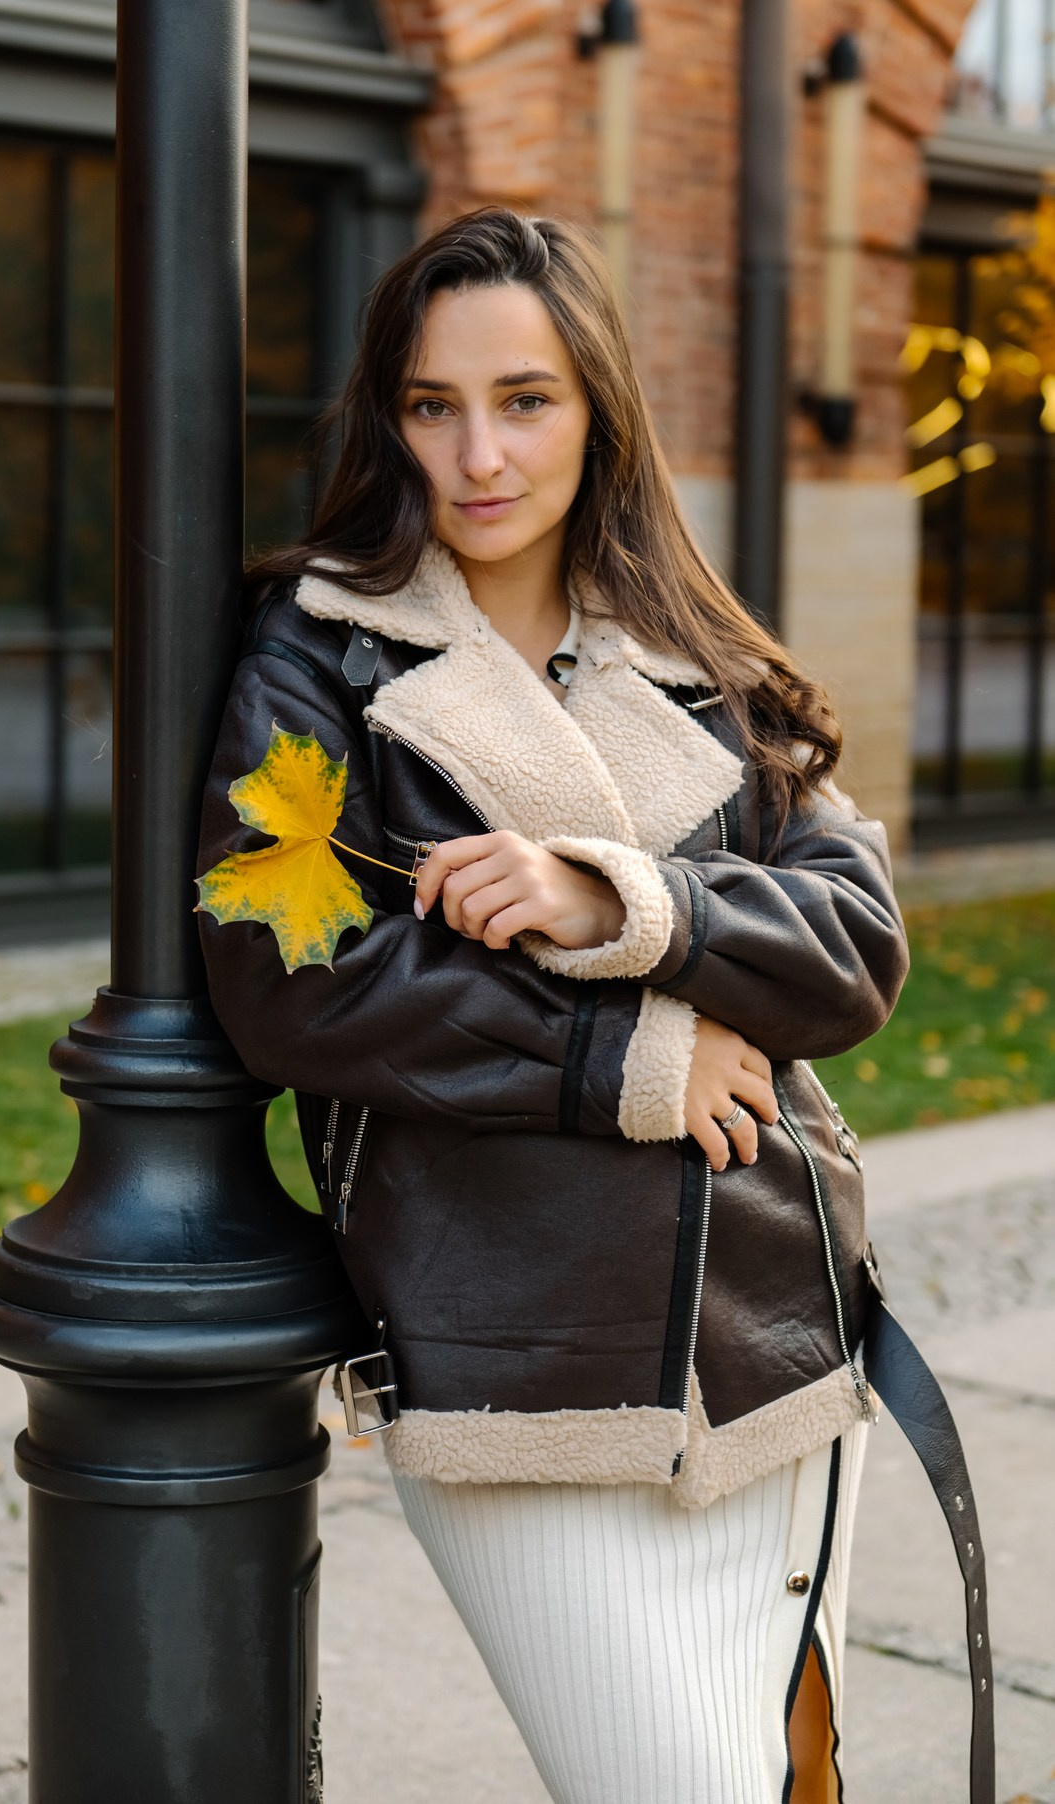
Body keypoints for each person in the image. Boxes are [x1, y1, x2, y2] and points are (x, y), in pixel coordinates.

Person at [197, 206, 911, 1803]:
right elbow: (292, 981)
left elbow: (855, 945)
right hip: (519, 1354)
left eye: (524, 400)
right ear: (389, 417)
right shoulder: (319, 654)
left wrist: (625, 902)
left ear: (598, 409)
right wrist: (626, 1053)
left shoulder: (699, 658)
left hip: (784, 1337)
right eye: (432, 405)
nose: (478, 455)